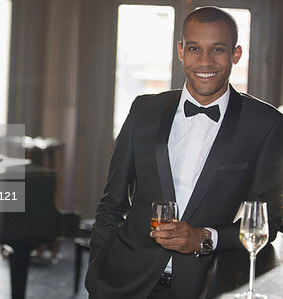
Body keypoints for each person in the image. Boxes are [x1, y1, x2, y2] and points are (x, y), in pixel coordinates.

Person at [85, 6, 282, 299]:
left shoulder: (266, 124)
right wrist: (96, 276)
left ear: (236, 54)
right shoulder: (143, 110)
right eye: (194, 48)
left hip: (202, 287)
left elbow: (270, 220)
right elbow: (111, 203)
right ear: (180, 51)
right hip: (121, 283)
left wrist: (205, 238)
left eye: (218, 49)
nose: (205, 61)